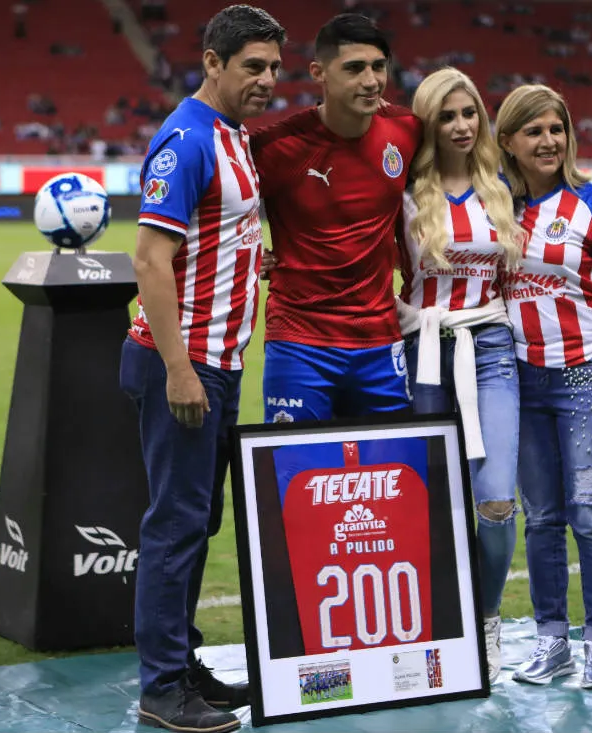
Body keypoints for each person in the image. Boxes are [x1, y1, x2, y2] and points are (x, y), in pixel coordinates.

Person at [118, 6, 284, 732]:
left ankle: (181, 662)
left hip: (217, 359)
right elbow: (150, 259)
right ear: (213, 62)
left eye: (275, 67)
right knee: (176, 524)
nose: (267, 80)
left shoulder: (232, 136)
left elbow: (215, 235)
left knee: (198, 519)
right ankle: (160, 687)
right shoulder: (186, 140)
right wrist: (181, 370)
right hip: (179, 364)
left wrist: (253, 263)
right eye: (253, 66)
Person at [494, 84, 592, 690]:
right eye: (534, 131)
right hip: (520, 380)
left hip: (585, 378)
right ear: (507, 142)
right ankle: (552, 640)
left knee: (590, 514)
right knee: (543, 517)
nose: (549, 140)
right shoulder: (493, 207)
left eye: (556, 128)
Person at [395, 67, 522, 684]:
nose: (461, 126)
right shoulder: (402, 194)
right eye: (446, 116)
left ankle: (487, 616)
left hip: (492, 350)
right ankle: (439, 624)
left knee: (497, 501)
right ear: (427, 123)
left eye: (469, 112)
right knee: (428, 505)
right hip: (422, 356)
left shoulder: (502, 190)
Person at [252, 13, 423, 423]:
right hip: (300, 341)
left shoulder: (406, 130)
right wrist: (245, 253)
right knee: (298, 479)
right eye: (354, 68)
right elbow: (209, 209)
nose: (371, 81)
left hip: (381, 342)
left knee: (390, 478)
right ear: (318, 72)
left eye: (378, 67)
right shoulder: (276, 148)